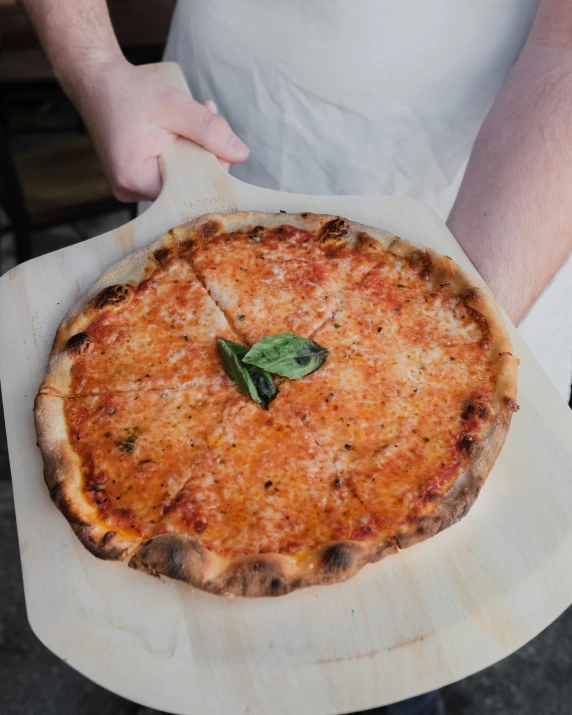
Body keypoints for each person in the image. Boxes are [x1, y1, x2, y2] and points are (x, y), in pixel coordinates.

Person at [19, 1, 572, 713]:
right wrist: (97, 67)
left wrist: (438, 347)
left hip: (479, 212)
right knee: (174, 669)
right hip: (207, 127)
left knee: (382, 671)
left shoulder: (454, 353)